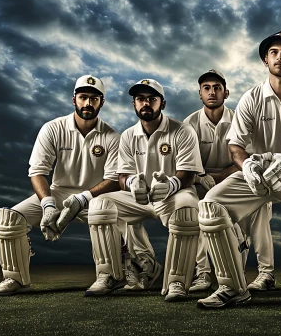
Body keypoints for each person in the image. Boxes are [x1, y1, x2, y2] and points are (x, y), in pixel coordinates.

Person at [0, 75, 149, 296]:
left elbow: (113, 180)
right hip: (58, 193)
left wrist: (82, 198)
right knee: (10, 219)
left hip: (96, 197)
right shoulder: (52, 128)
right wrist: (47, 204)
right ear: (74, 100)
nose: (88, 103)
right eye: (83, 97)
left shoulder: (112, 137)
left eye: (94, 99)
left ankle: (108, 275)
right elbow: (37, 171)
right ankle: (14, 279)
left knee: (103, 215)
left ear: (102, 102)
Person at [197, 31, 281, 308]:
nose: (280, 57)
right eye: (274, 52)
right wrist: (247, 164)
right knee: (211, 206)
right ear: (266, 59)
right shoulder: (252, 97)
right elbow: (236, 146)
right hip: (260, 173)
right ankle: (232, 286)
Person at [86, 78, 204, 301]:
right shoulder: (128, 135)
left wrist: (171, 184)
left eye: (152, 99)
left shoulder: (182, 130)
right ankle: (109, 275)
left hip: (174, 194)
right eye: (140, 99)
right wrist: (132, 183)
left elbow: (189, 173)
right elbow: (122, 176)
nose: (146, 103)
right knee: (100, 205)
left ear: (163, 103)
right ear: (134, 104)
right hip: (139, 197)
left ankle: (177, 281)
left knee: (187, 212)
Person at [183, 69, 272, 293]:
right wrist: (202, 178)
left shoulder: (238, 118)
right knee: (195, 206)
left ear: (226, 92)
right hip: (199, 181)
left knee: (262, 204)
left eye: (217, 88)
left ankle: (266, 272)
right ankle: (202, 273)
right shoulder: (189, 123)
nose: (212, 92)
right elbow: (184, 164)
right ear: (200, 93)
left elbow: (248, 158)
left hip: (234, 176)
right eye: (207, 88)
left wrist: (220, 177)